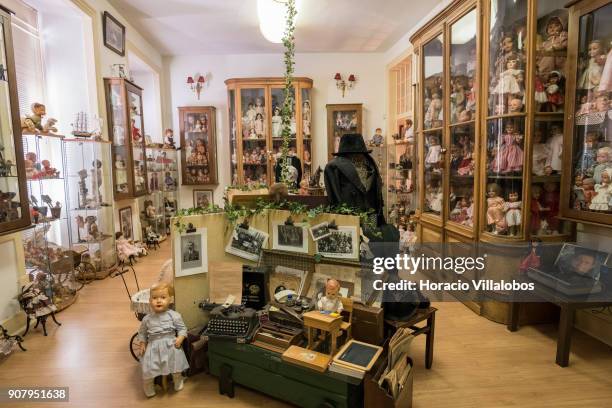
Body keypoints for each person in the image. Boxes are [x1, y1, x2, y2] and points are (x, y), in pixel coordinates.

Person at [135, 283, 189, 397]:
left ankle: (177, 379)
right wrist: (142, 343)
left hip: (171, 343)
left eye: (163, 297)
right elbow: (142, 333)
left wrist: (180, 337)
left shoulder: (174, 315)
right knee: (148, 367)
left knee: (176, 363)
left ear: (170, 300)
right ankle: (148, 384)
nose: (158, 301)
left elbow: (182, 328)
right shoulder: (147, 319)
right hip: (153, 345)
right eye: (154, 298)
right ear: (150, 301)